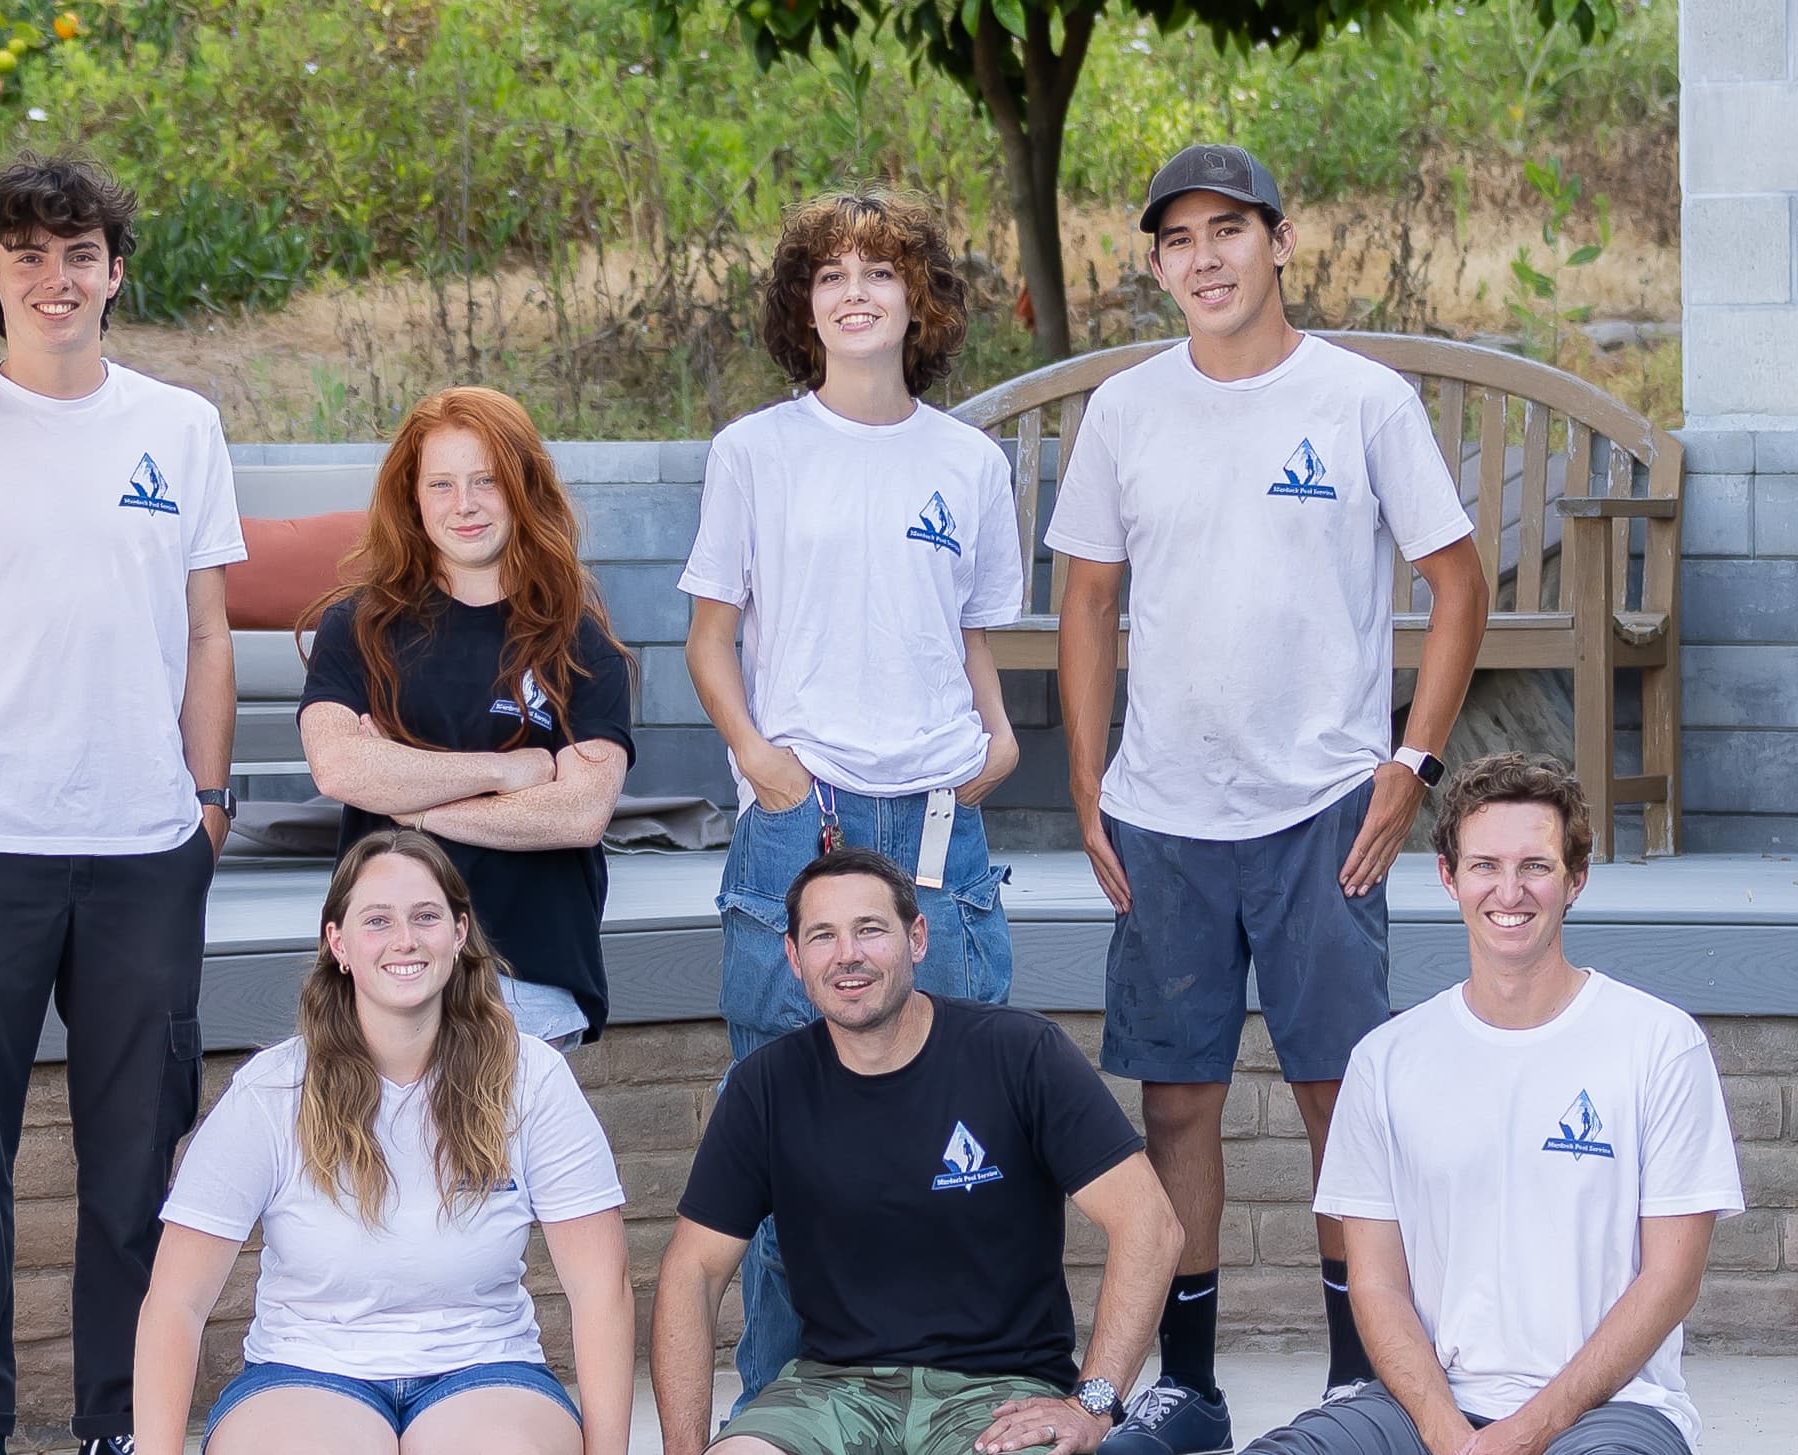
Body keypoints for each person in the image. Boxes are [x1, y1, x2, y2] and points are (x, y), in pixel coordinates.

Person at [1048, 142, 1491, 1454]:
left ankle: (1364, 1377)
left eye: (1226, 230)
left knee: (1335, 1100)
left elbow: (1454, 585)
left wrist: (1408, 766)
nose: (1205, 258)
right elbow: (1085, 596)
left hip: (1321, 812)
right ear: (1155, 264)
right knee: (1174, 1098)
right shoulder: (1127, 410)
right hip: (1164, 814)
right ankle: (1187, 1382)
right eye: (1177, 239)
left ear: (1278, 241)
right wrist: (1085, 780)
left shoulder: (1358, 401)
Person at [0, 152, 244, 1455]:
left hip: (143, 850)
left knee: (135, 1165)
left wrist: (202, 802)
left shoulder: (179, 426)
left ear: (113, 271)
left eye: (77, 254)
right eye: (27, 255)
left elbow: (204, 634)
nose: (54, 278)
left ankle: (116, 1422)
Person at [679, 186, 1025, 1404]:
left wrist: (997, 747)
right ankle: (779, 1406)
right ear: (803, 306)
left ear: (919, 298)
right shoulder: (755, 453)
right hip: (801, 822)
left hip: (939, 827)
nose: (856, 291)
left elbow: (974, 638)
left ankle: (958, 1397)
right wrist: (767, 765)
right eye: (830, 273)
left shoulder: (970, 464)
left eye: (881, 270)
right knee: (788, 1143)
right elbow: (711, 639)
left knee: (959, 1134)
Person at [1219, 754, 1743, 1455]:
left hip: (1612, 1409)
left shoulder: (1658, 1045)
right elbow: (1374, 1284)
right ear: (1449, 877)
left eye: (1536, 866)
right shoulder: (1386, 1060)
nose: (1510, 890)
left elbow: (1671, 1280)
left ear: (1575, 879)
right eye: (1485, 865)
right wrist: (1444, 1429)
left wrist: (1528, 1430)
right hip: (1423, 1404)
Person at [651, 849, 1183, 1455]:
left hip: (998, 1395)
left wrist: (1092, 1405)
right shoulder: (765, 1087)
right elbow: (692, 1272)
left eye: (870, 930)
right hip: (832, 1394)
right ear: (795, 959)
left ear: (918, 938)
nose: (847, 954)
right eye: (822, 936)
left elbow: (1150, 1224)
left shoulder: (1020, 1054)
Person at [134, 829, 634, 1455]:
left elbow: (601, 1287)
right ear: (337, 944)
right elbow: (175, 1303)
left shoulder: (531, 1077)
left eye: (426, 917)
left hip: (484, 1367)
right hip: (305, 1372)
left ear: (458, 933)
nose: (405, 940)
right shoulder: (273, 1091)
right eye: (378, 920)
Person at [299, 386, 634, 1050]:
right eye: (443, 484)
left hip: (526, 979)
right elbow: (340, 764)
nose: (466, 504)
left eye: (486, 480)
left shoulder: (579, 644)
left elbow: (578, 812)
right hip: (386, 973)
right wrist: (507, 771)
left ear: (523, 487)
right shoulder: (357, 626)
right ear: (414, 498)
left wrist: (414, 808)